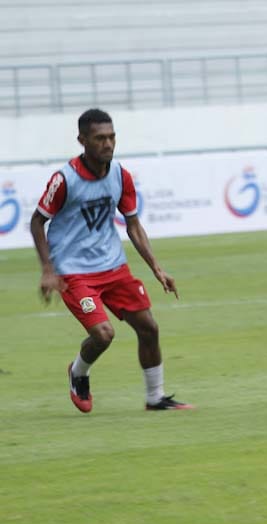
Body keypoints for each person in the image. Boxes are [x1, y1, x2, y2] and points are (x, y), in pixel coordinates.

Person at [30, 109, 193, 413]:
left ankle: (155, 398)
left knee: (149, 328)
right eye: (99, 138)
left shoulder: (120, 175)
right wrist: (47, 269)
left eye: (111, 137)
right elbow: (37, 222)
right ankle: (78, 372)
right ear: (82, 141)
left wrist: (156, 267)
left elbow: (133, 225)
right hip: (74, 273)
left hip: (114, 267)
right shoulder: (64, 179)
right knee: (104, 335)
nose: (107, 144)